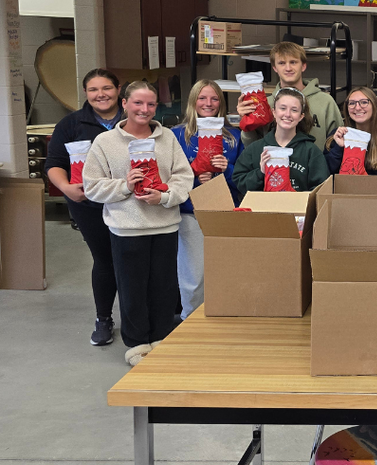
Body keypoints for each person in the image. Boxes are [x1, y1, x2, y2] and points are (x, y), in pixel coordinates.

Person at [82, 80, 192, 367]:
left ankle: (160, 336)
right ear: (125, 104)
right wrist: (125, 186)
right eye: (138, 103)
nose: (145, 109)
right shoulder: (105, 143)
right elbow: (92, 186)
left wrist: (165, 195)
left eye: (151, 104)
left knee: (164, 287)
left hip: (165, 226)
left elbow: (184, 177)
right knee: (132, 288)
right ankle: (137, 342)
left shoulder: (167, 138)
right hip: (127, 228)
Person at [44, 69, 123, 346]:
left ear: (118, 89)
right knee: (105, 260)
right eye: (93, 89)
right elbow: (53, 163)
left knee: (134, 259)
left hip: (131, 202)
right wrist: (65, 188)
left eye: (106, 88)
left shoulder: (134, 118)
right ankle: (103, 319)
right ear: (86, 93)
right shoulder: (72, 123)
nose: (100, 94)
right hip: (89, 206)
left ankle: (139, 315)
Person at [171, 80, 243, 318]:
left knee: (225, 270)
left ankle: (222, 316)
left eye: (214, 99)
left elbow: (244, 179)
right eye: (202, 98)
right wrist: (193, 177)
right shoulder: (177, 136)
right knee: (194, 273)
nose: (208, 103)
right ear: (193, 101)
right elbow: (169, 175)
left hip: (224, 210)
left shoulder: (234, 136)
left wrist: (228, 169)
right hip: (190, 211)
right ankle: (190, 318)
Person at [238, 41, 342, 151]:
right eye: (282, 63)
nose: (288, 68)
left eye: (293, 62)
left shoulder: (325, 102)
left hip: (314, 166)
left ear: (303, 66)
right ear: (274, 68)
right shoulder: (266, 104)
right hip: (274, 166)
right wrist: (246, 123)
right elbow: (252, 147)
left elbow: (337, 144)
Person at [233, 87, 330, 193]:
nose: (287, 114)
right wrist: (261, 172)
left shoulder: (311, 151)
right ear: (274, 112)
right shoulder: (255, 149)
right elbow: (239, 183)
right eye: (282, 108)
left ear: (301, 116)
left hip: (298, 208)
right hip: (262, 208)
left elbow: (321, 189)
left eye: (294, 110)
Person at [326, 87, 377, 176]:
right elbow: (326, 174)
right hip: (341, 189)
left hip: (376, 189)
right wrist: (338, 148)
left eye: (364, 102)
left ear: (374, 106)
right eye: (352, 103)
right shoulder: (337, 136)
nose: (357, 108)